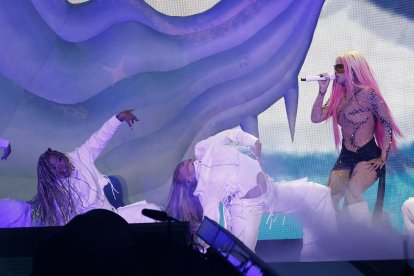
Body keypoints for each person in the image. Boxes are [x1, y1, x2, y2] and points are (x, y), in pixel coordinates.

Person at [166, 127, 337, 260]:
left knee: (318, 195)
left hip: (271, 191)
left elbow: (230, 134)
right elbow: (211, 220)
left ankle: (315, 259)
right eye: (180, 169)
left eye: (181, 164)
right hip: (246, 208)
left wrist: (253, 142)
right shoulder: (204, 190)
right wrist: (201, 244)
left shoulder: (203, 148)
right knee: (241, 258)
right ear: (187, 182)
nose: (182, 165)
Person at [311, 51, 402, 223]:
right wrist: (322, 92)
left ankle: (364, 240)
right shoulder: (337, 97)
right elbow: (316, 118)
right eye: (335, 68)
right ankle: (338, 237)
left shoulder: (368, 94)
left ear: (352, 70)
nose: (335, 72)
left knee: (353, 191)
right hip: (347, 154)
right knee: (330, 194)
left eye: (339, 68)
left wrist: (383, 158)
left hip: (368, 154)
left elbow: (387, 123)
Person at [29, 109, 160, 226]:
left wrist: (118, 118)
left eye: (59, 160)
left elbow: (99, 138)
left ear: (63, 157)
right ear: (50, 173)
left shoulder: (80, 157)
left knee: (153, 211)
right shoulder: (55, 191)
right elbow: (64, 222)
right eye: (54, 167)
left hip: (111, 216)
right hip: (87, 230)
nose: (60, 166)